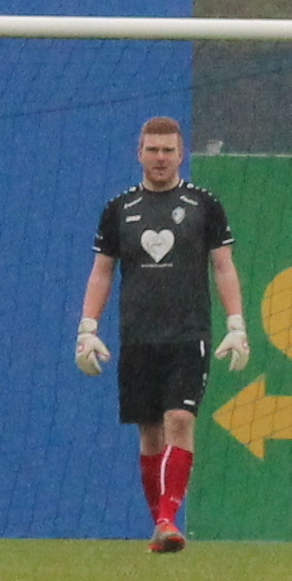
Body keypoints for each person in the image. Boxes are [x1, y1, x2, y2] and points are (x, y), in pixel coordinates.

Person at [78, 117, 248, 552]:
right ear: (139, 152)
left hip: (189, 334)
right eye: (152, 150)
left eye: (168, 150)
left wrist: (236, 324)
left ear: (181, 153)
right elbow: (102, 271)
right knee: (150, 431)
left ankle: (168, 518)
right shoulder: (119, 209)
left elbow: (223, 266)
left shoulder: (204, 204)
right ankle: (162, 526)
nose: (160, 158)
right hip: (138, 335)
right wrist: (87, 328)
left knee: (180, 419)